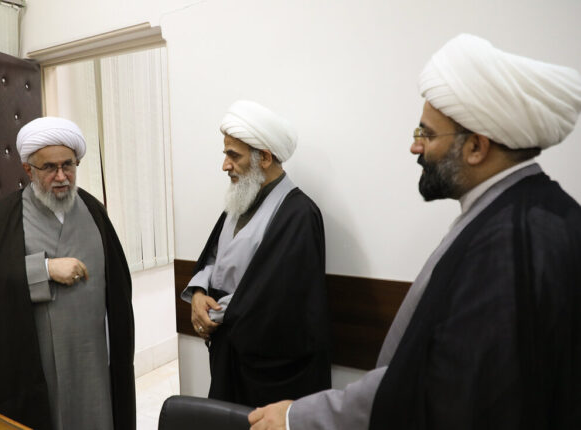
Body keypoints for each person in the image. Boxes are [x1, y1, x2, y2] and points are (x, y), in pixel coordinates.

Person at [249, 34, 581, 430]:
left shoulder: (508, 242)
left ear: (476, 147)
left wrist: (298, 417)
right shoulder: (537, 212)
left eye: (427, 134)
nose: (415, 147)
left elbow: (438, 386)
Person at [0, 117, 135, 430]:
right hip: (33, 362)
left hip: (92, 356)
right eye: (50, 167)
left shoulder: (94, 211)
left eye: (68, 165)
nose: (61, 176)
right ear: (28, 170)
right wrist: (46, 270)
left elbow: (119, 288)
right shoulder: (3, 218)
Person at [181, 100, 332, 408]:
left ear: (264, 157)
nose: (225, 165)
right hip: (229, 356)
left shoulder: (299, 215)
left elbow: (277, 301)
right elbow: (214, 258)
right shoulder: (239, 201)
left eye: (233, 155)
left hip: (269, 374)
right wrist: (198, 293)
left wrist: (214, 314)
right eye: (226, 154)